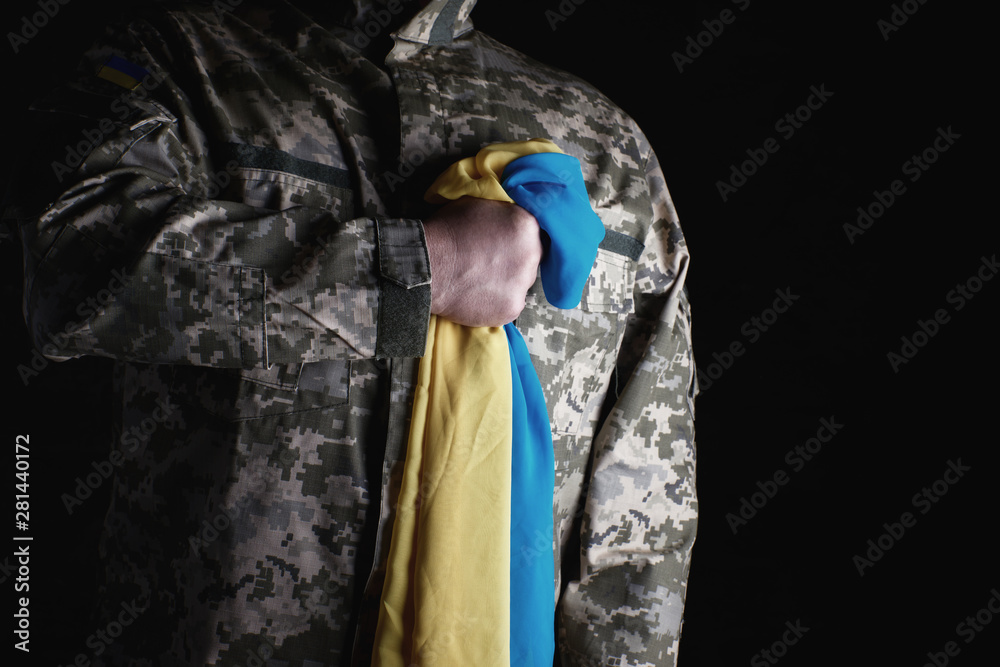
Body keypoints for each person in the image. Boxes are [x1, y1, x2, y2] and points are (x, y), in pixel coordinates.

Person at [16, 0, 698, 664]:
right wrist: (422, 269)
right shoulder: (176, 61)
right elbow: (71, 265)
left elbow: (638, 525)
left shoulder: (610, 149)